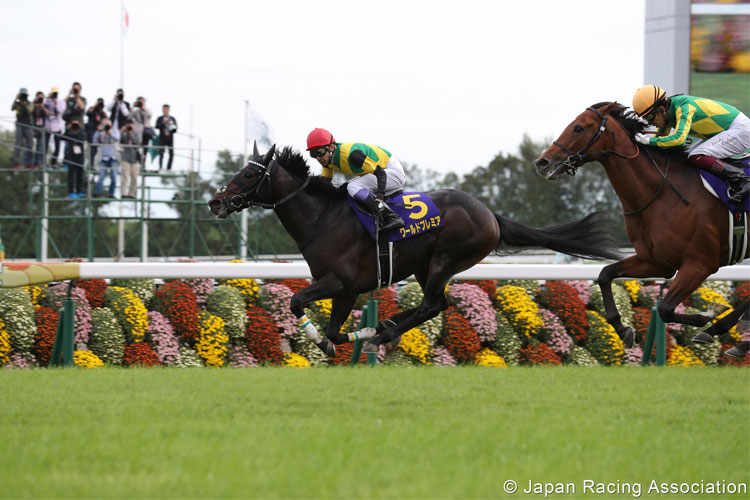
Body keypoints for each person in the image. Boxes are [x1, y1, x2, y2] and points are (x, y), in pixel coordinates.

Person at [632, 85, 750, 203]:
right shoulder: (667, 114)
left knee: (696, 156)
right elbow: (658, 140)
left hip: (739, 129)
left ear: (662, 109)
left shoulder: (684, 106)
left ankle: (742, 180)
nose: (651, 123)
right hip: (726, 130)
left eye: (650, 117)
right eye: (646, 119)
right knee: (686, 157)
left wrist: (648, 141)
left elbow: (679, 139)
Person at [306, 128, 405, 230]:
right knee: (345, 188)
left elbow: (381, 173)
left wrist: (379, 198)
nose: (318, 158)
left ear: (331, 147)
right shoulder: (328, 161)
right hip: (381, 173)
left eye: (320, 152)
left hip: (391, 172)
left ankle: (389, 215)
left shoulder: (352, 155)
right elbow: (324, 184)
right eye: (313, 154)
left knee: (353, 186)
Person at [92, 121, 119, 198]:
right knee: (101, 177)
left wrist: (110, 133)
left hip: (113, 157)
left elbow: (117, 139)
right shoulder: (101, 132)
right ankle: (98, 193)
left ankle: (111, 194)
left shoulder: (114, 131)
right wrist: (98, 131)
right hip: (103, 158)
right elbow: (95, 141)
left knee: (114, 177)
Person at [62, 119, 87, 198]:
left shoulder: (82, 132)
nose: (75, 126)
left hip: (80, 156)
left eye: (76, 124)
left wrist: (76, 132)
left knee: (80, 174)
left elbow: (82, 139)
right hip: (71, 155)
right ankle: (71, 192)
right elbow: (63, 138)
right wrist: (68, 129)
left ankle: (80, 191)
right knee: (71, 174)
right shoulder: (69, 132)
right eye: (74, 124)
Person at [11, 88, 34, 168]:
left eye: (24, 95)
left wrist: (24, 104)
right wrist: (16, 99)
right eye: (22, 95)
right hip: (19, 125)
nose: (23, 97)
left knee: (30, 144)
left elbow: (29, 110)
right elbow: (12, 108)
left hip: (28, 125)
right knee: (18, 143)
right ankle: (15, 162)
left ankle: (29, 163)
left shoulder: (30, 103)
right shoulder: (17, 103)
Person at [119, 119, 141, 199]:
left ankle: (132, 194)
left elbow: (136, 142)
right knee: (125, 176)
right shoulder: (124, 134)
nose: (130, 126)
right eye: (128, 124)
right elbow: (121, 141)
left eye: (131, 124)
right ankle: (123, 193)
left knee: (134, 178)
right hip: (125, 158)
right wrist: (122, 132)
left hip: (135, 159)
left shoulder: (136, 134)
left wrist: (130, 133)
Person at [44, 86, 66, 167]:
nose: (55, 95)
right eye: (53, 93)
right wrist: (47, 97)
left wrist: (55, 102)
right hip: (48, 126)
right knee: (45, 145)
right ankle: (44, 162)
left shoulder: (61, 102)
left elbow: (60, 111)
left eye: (56, 93)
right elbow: (42, 105)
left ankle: (53, 162)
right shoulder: (48, 101)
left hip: (58, 126)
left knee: (57, 146)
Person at [130, 96, 154, 167]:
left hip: (146, 132)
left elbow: (150, 115)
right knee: (136, 148)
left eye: (142, 101)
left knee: (145, 149)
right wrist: (132, 107)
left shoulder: (147, 110)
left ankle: (143, 164)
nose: (140, 103)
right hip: (137, 132)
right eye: (139, 101)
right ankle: (137, 162)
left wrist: (143, 108)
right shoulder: (135, 111)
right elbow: (129, 117)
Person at [155, 104, 177, 171]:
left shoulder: (172, 118)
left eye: (167, 109)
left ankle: (169, 169)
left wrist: (170, 124)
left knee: (171, 154)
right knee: (161, 153)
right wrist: (163, 123)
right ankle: (161, 168)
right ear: (162, 110)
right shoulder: (160, 118)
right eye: (164, 109)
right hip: (162, 138)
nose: (165, 110)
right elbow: (156, 126)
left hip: (170, 138)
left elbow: (175, 129)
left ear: (169, 110)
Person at [85, 98, 107, 166]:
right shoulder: (92, 109)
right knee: (88, 150)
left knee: (94, 150)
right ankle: (88, 164)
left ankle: (92, 164)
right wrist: (95, 106)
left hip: (97, 134)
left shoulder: (103, 113)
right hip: (90, 132)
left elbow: (105, 122)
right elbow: (87, 113)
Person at [31, 91, 49, 168]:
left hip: (42, 128)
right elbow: (30, 112)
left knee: (40, 146)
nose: (40, 99)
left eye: (42, 98)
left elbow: (48, 114)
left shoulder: (44, 105)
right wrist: (34, 103)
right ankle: (32, 163)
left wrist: (42, 106)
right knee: (30, 145)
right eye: (39, 97)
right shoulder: (33, 105)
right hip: (33, 128)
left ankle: (39, 163)